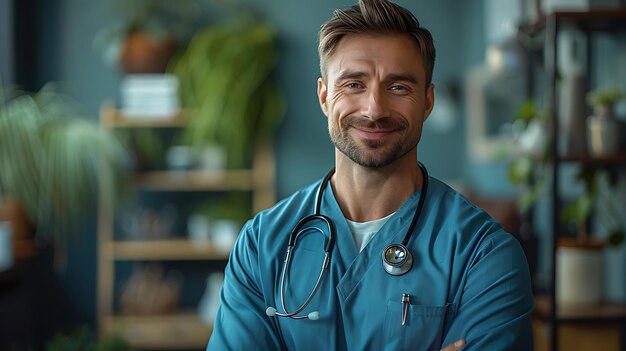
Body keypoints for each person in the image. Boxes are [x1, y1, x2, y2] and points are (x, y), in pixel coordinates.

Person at [207, 0, 534, 350]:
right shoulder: (262, 244)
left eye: (398, 87)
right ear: (323, 96)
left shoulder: (484, 254)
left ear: (427, 101)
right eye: (352, 85)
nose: (374, 110)